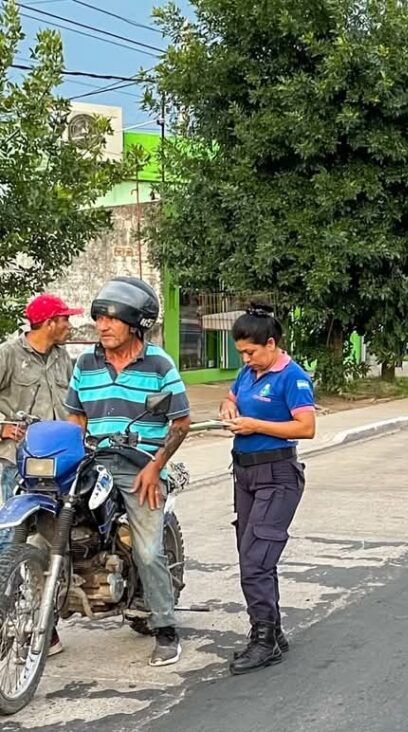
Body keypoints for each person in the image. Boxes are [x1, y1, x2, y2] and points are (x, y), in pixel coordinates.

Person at [66, 277, 191, 667]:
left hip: (141, 466)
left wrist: (156, 467)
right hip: (94, 461)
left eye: (112, 319)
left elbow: (180, 423)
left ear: (136, 324)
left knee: (148, 550)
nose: (102, 326)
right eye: (99, 318)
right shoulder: (85, 363)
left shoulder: (159, 363)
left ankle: (166, 629)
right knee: (53, 522)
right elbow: (76, 417)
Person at [219, 307, 316, 674]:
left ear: (271, 344)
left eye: (251, 352)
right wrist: (228, 408)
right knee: (254, 556)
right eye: (241, 353)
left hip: (277, 475)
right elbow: (231, 397)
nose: (245, 359)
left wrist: (255, 425)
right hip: (245, 474)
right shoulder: (248, 373)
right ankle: (272, 631)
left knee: (255, 560)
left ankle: (264, 642)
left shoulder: (292, 377)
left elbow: (306, 427)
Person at [0, 294, 81, 654]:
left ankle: (45, 625)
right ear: (49, 323)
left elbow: (77, 404)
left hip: (60, 465)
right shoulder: (8, 354)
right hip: (17, 464)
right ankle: (7, 620)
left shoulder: (64, 358)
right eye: (65, 319)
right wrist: (2, 426)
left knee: (56, 542)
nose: (69, 325)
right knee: (12, 542)